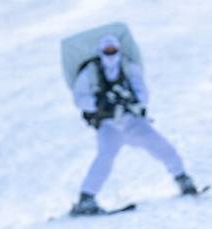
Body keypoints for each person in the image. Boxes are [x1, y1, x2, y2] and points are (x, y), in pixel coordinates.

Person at [70, 34, 198, 215]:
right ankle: (86, 198)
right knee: (105, 156)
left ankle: (183, 179)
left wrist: (130, 100)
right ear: (100, 52)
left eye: (113, 50)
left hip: (131, 120)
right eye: (106, 51)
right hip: (108, 124)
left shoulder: (128, 67)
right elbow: (79, 98)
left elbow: (143, 93)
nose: (110, 54)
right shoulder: (90, 71)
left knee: (161, 146)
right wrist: (98, 103)